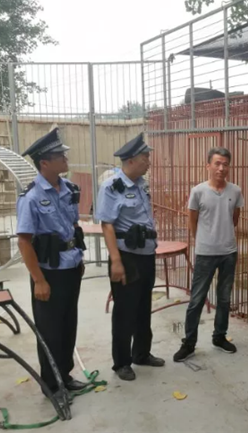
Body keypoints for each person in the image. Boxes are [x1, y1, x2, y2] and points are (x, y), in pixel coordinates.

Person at [16, 127, 88, 397]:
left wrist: (78, 257)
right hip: (48, 272)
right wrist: (39, 280)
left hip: (70, 267)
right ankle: (51, 384)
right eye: (60, 156)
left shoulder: (68, 189)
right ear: (44, 163)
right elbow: (24, 242)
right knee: (50, 330)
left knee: (68, 324)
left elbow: (73, 226)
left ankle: (65, 375)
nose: (66, 158)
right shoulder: (31, 197)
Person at [95, 133, 165, 381]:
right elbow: (107, 225)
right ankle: (122, 362)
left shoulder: (141, 184)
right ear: (132, 161)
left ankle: (141, 353)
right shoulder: (112, 187)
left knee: (143, 307)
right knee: (125, 311)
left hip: (146, 254)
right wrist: (115, 261)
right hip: (126, 256)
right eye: (145, 158)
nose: (149, 162)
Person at [173, 147, 244, 362]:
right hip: (205, 253)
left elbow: (234, 219)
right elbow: (192, 221)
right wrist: (203, 240)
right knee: (197, 299)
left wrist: (222, 236)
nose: (221, 168)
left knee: (224, 298)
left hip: (228, 252)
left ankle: (219, 337)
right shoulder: (198, 191)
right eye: (217, 163)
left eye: (225, 164)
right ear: (208, 166)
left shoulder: (235, 191)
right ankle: (189, 343)